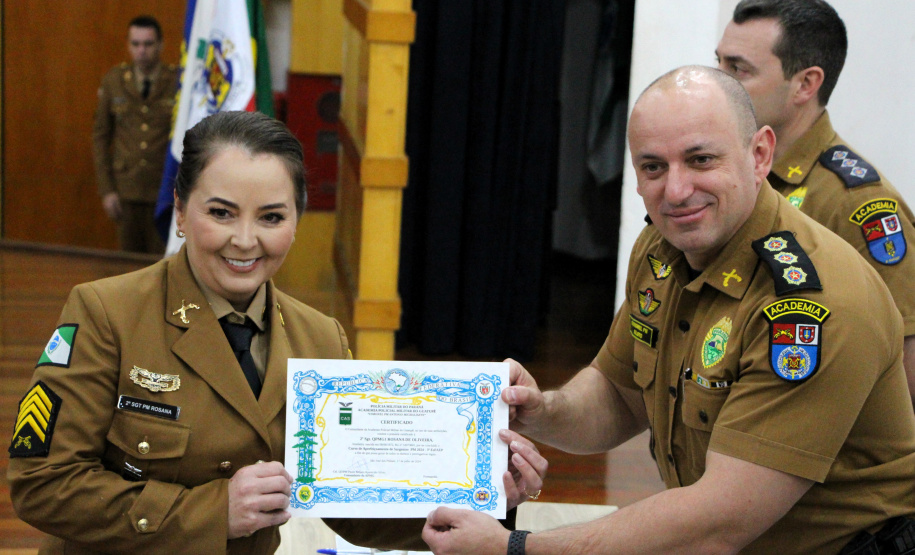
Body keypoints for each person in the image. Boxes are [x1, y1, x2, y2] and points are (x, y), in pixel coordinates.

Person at [421, 66, 915, 555]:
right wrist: (541, 412)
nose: (676, 192)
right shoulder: (661, 248)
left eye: (700, 160)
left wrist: (515, 549)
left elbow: (717, 523)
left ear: (760, 154)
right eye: (653, 167)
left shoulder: (810, 306)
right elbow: (619, 393)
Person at [9, 111, 545, 553]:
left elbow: (349, 509)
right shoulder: (106, 313)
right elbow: (42, 485)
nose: (244, 240)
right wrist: (212, 511)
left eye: (270, 217)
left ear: (297, 219)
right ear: (178, 210)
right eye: (221, 212)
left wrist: (487, 496)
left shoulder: (322, 340)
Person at [716, 0, 915, 406]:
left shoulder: (857, 204)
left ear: (806, 84)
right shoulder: (734, 181)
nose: (718, 84)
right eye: (718, 64)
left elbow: (906, 358)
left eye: (738, 70)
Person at [92, 15, 178, 254]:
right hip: (126, 191)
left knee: (161, 265)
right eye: (136, 44)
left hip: (164, 189)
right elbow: (100, 137)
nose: (141, 51)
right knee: (127, 266)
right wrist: (107, 190)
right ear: (129, 45)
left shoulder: (177, 81)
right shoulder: (114, 81)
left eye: (148, 44)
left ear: (160, 45)